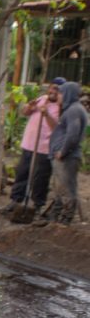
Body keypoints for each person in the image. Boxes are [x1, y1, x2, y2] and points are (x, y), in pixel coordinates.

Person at [2, 79, 63, 216]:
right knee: (22, 173)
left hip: (45, 148)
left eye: (57, 90)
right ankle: (15, 200)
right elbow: (25, 112)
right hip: (29, 144)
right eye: (52, 88)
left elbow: (56, 128)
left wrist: (46, 114)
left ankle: (37, 205)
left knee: (40, 178)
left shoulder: (61, 107)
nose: (53, 91)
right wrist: (30, 107)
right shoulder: (42, 98)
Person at [48, 81, 87, 225]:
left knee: (67, 188)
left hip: (68, 158)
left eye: (60, 93)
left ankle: (66, 218)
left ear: (67, 94)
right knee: (60, 188)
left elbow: (72, 134)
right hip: (64, 157)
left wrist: (63, 151)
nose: (58, 96)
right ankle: (56, 217)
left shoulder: (74, 111)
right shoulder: (71, 109)